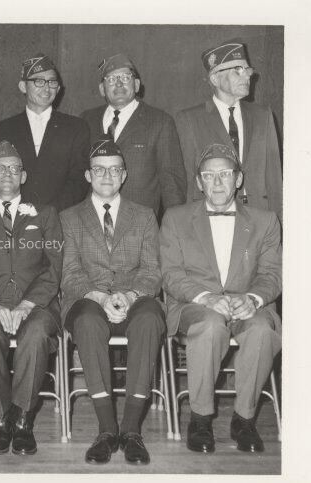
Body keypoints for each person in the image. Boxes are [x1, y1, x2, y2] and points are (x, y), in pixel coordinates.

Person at [160, 143, 281, 454]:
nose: (216, 182)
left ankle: (244, 420)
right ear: (198, 182)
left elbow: (272, 273)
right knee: (211, 326)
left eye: (224, 174)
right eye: (208, 176)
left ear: (238, 179)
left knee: (262, 330)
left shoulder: (266, 220)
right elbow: (170, 274)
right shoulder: (175, 218)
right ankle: (200, 419)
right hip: (195, 305)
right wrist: (206, 298)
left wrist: (253, 298)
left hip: (247, 303)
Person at [61, 138, 165, 465]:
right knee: (87, 321)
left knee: (150, 318)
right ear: (88, 175)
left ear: (124, 175)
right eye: (99, 170)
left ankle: (131, 429)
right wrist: (100, 297)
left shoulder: (144, 216)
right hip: (88, 298)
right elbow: (69, 272)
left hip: (134, 297)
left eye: (114, 170)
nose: (107, 176)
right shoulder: (68, 217)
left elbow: (152, 270)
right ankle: (107, 429)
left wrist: (131, 295)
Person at [0, 140, 62, 456]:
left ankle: (22, 419)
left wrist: (27, 305)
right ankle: (0, 417)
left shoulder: (46, 214)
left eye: (14, 168)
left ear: (24, 176)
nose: (7, 173)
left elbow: (54, 266)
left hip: (36, 304)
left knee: (36, 333)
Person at [175, 40, 282, 220]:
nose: (246, 76)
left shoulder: (263, 115)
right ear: (215, 79)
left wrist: (279, 221)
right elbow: (187, 178)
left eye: (247, 70)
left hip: (259, 217)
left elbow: (274, 177)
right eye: (237, 70)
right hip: (211, 216)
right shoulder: (190, 119)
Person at [81, 53, 185, 218]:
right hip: (92, 221)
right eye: (111, 79)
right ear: (102, 89)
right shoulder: (86, 120)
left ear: (136, 85)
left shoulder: (160, 122)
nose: (119, 83)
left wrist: (175, 225)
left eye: (125, 77)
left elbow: (171, 184)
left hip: (140, 224)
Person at [0, 53, 90, 212]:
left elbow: (79, 180)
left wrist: (47, 213)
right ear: (23, 86)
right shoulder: (3, 129)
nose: (46, 88)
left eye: (52, 82)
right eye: (39, 81)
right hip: (16, 217)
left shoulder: (76, 127)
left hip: (60, 216)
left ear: (58, 89)